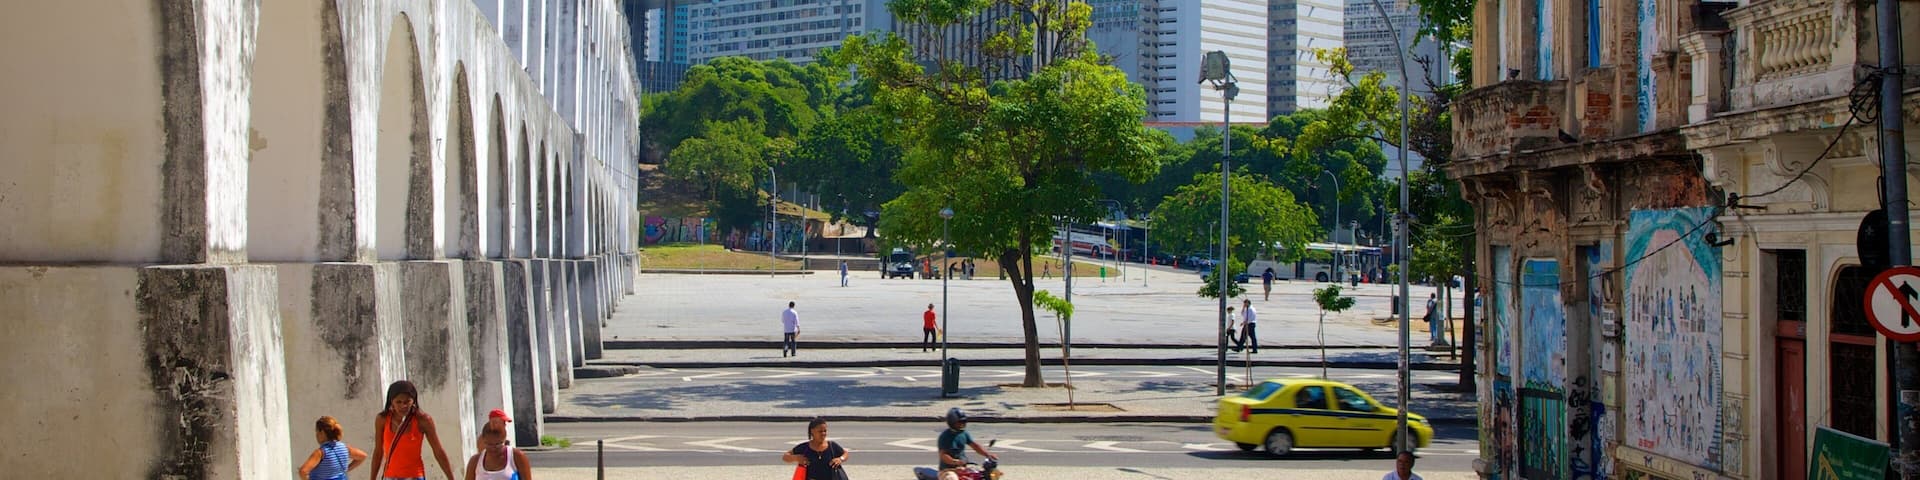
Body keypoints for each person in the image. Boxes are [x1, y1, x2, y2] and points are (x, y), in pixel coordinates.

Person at [368, 380, 456, 480]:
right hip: (390, 476)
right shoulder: (382, 419)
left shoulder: (423, 420)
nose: (403, 406)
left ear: (413, 401)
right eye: (398, 402)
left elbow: (438, 451)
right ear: (391, 401)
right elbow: (378, 451)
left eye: (407, 402)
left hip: (414, 476)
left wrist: (451, 478)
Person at [300, 416, 367, 480]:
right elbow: (363, 456)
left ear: (322, 432)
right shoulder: (344, 448)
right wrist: (346, 469)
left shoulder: (321, 452)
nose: (316, 435)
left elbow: (303, 471)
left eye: (316, 432)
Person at [937, 408, 996, 480]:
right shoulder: (945, 436)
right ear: (952, 422)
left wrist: (988, 455)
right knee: (952, 478)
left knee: (980, 475)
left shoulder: (963, 433)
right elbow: (943, 455)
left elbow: (975, 446)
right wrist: (956, 462)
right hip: (948, 470)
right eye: (961, 421)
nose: (963, 423)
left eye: (964, 421)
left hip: (962, 468)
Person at [783, 418, 850, 480]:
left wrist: (841, 459)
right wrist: (796, 458)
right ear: (812, 431)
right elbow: (785, 457)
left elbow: (845, 453)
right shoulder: (805, 447)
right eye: (820, 431)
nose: (823, 434)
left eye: (825, 431)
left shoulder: (832, 446)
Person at [465, 423, 532, 480]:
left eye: (498, 444)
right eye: (489, 444)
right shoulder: (475, 461)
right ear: (483, 440)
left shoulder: (517, 457)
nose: (493, 448)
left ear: (505, 440)